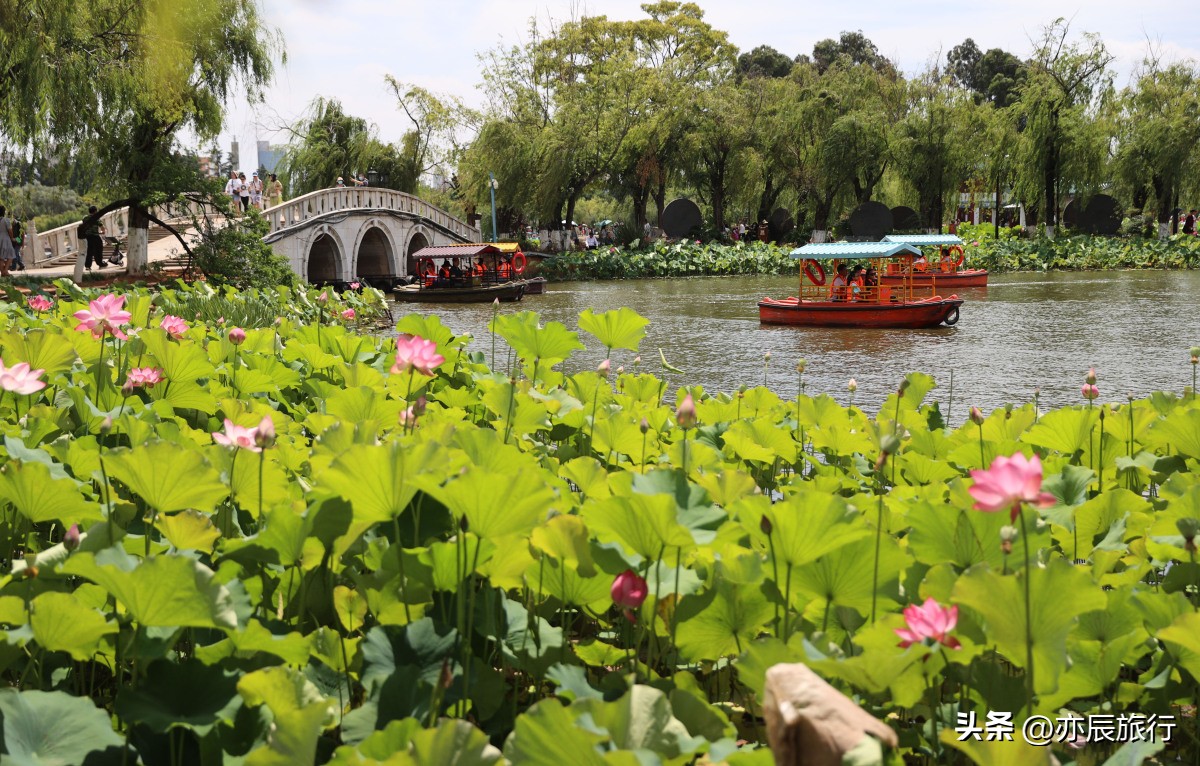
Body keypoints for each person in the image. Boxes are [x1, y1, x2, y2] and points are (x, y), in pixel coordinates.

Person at [80, 205, 106, 271]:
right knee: (98, 250)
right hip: (95, 236)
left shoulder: (85, 218)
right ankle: (100, 263)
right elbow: (102, 227)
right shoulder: (96, 218)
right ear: (95, 211)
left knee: (89, 252)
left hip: (87, 237)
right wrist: (103, 231)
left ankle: (88, 266)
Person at [0, 207, 15, 278]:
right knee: (11, 255)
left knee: (1, 257)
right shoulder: (6, 220)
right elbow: (10, 230)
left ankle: (3, 272)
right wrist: (12, 238)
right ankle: (5, 270)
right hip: (5, 238)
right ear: (4, 212)